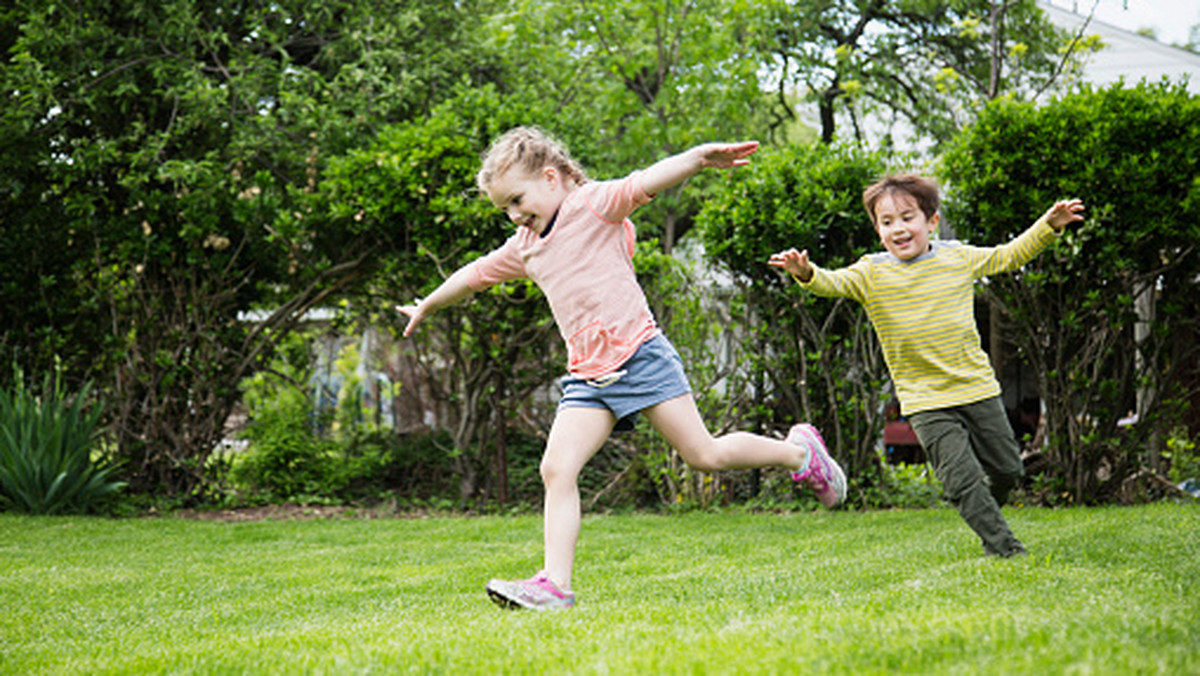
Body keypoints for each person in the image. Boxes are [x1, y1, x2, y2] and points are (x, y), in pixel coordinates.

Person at [399, 126, 846, 610]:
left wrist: (697, 156)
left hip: (639, 355)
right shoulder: (525, 244)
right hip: (588, 377)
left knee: (705, 455)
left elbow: (645, 180)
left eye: (516, 200)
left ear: (551, 177)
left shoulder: (592, 205)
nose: (513, 215)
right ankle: (555, 586)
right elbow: (476, 274)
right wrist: (429, 304)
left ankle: (799, 455)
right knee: (557, 468)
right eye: (504, 208)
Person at [769, 174, 1083, 558]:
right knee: (961, 479)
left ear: (931, 221)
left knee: (1007, 471)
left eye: (907, 217)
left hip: (978, 388)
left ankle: (980, 507)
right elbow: (831, 283)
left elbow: (1008, 255)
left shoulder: (957, 258)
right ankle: (1004, 548)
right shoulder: (871, 273)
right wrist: (805, 273)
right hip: (925, 400)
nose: (898, 229)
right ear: (877, 230)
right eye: (887, 222)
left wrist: (1047, 226)